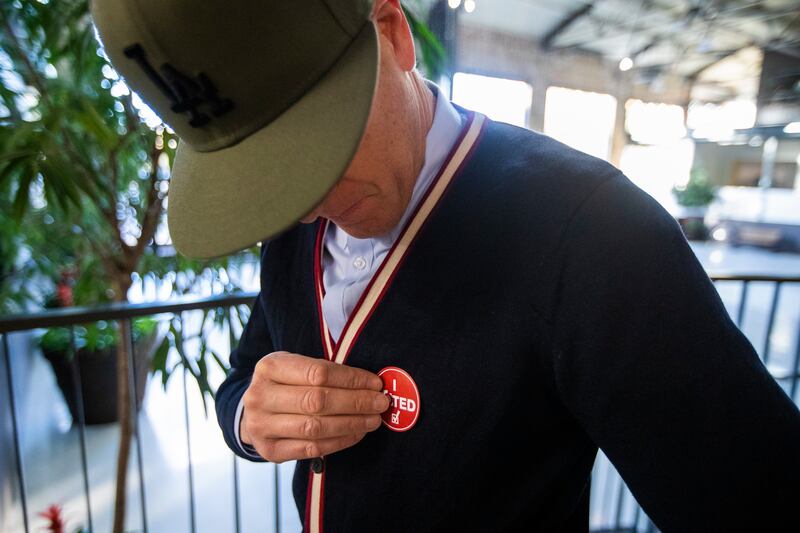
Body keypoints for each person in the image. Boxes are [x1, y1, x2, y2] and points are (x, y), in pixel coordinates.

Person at [91, 0, 800, 531]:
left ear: (393, 33)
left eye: (315, 153)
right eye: (266, 177)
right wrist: (249, 416)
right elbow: (247, 371)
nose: (303, 211)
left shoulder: (592, 235)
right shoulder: (293, 224)